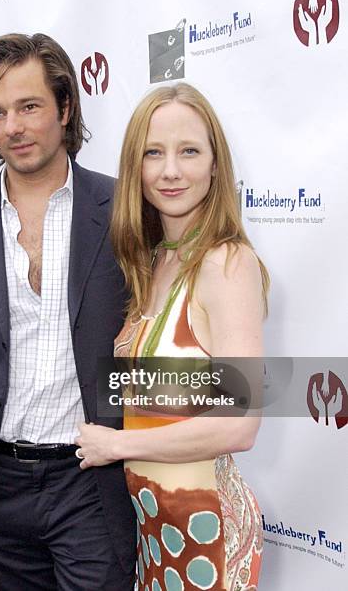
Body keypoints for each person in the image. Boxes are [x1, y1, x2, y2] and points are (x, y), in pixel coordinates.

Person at [0, 33, 136, 590]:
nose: (12, 126)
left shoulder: (126, 212)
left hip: (90, 480)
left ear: (65, 107)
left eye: (29, 106)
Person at [74, 83, 269, 590]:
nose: (171, 170)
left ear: (214, 164)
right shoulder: (153, 261)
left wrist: (115, 443)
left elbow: (238, 425)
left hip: (205, 528)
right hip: (155, 528)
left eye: (189, 151)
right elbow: (169, 393)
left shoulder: (227, 263)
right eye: (153, 153)